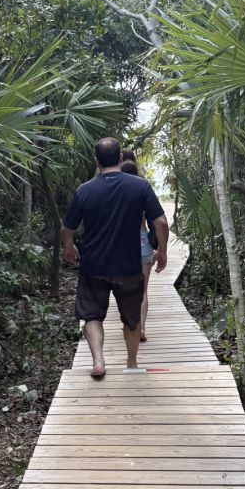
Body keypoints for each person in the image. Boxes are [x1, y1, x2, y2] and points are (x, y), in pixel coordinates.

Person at [62, 138, 169, 378]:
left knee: (91, 314)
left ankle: (99, 361)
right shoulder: (140, 186)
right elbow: (161, 222)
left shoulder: (84, 190)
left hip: (93, 265)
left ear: (96, 161)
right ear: (120, 158)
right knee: (132, 318)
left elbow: (67, 227)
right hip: (128, 265)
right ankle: (131, 363)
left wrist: (69, 247)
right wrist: (162, 251)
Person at [120, 159, 154, 342]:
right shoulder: (143, 191)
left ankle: (129, 325)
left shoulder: (117, 193)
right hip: (142, 241)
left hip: (123, 243)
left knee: (124, 290)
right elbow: (157, 219)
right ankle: (142, 327)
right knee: (142, 290)